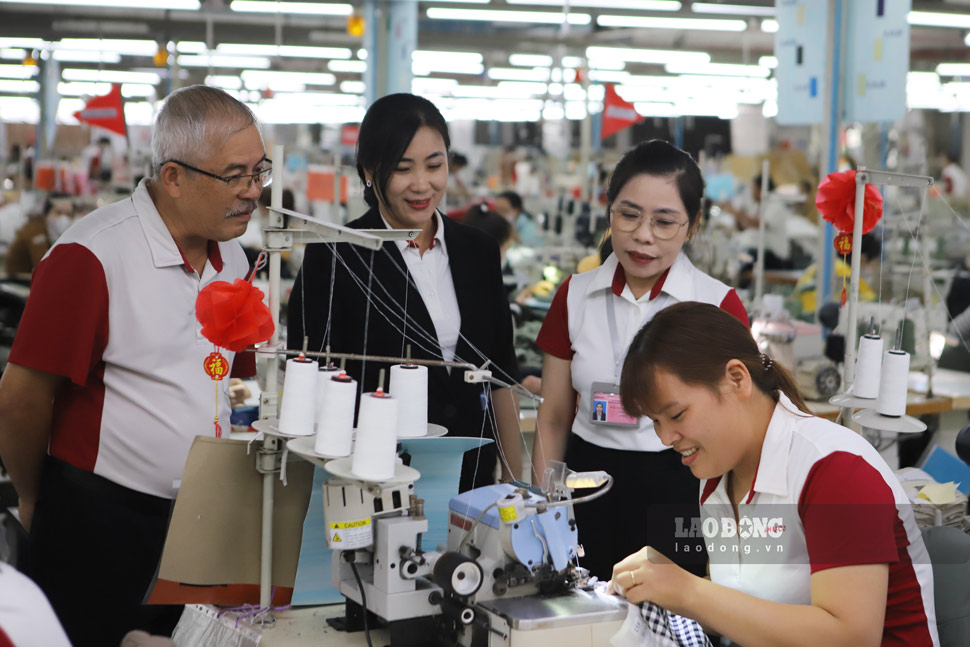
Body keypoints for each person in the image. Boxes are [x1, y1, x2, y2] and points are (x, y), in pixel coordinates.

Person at [0, 85, 265, 646]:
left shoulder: (236, 258)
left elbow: (240, 379)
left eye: (259, 171)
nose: (253, 192)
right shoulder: (92, 256)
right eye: (235, 175)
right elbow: (21, 398)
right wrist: (32, 495)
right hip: (98, 524)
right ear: (174, 177)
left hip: (197, 523)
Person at [610, 301, 938, 647]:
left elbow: (851, 636)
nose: (665, 438)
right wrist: (665, 588)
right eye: (655, 422)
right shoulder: (717, 476)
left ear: (737, 380)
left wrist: (689, 591)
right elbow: (743, 596)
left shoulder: (835, 470)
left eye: (676, 415)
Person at [532, 139, 749, 580]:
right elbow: (553, 416)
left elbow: (742, 433)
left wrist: (731, 542)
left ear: (692, 226)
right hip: (584, 488)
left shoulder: (716, 305)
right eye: (628, 215)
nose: (643, 235)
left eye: (665, 222)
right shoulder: (574, 295)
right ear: (609, 211)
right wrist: (544, 511)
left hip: (680, 487)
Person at [288, 93, 521, 491]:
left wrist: (518, 484)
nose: (421, 184)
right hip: (374, 480)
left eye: (435, 165)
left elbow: (501, 377)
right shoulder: (336, 255)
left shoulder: (478, 251)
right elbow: (312, 382)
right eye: (401, 168)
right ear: (368, 171)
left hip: (472, 476)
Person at [4, 193, 73, 277]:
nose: (64, 218)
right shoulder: (36, 231)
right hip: (17, 283)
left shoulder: (50, 232)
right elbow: (44, 265)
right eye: (58, 213)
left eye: (68, 214)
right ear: (46, 213)